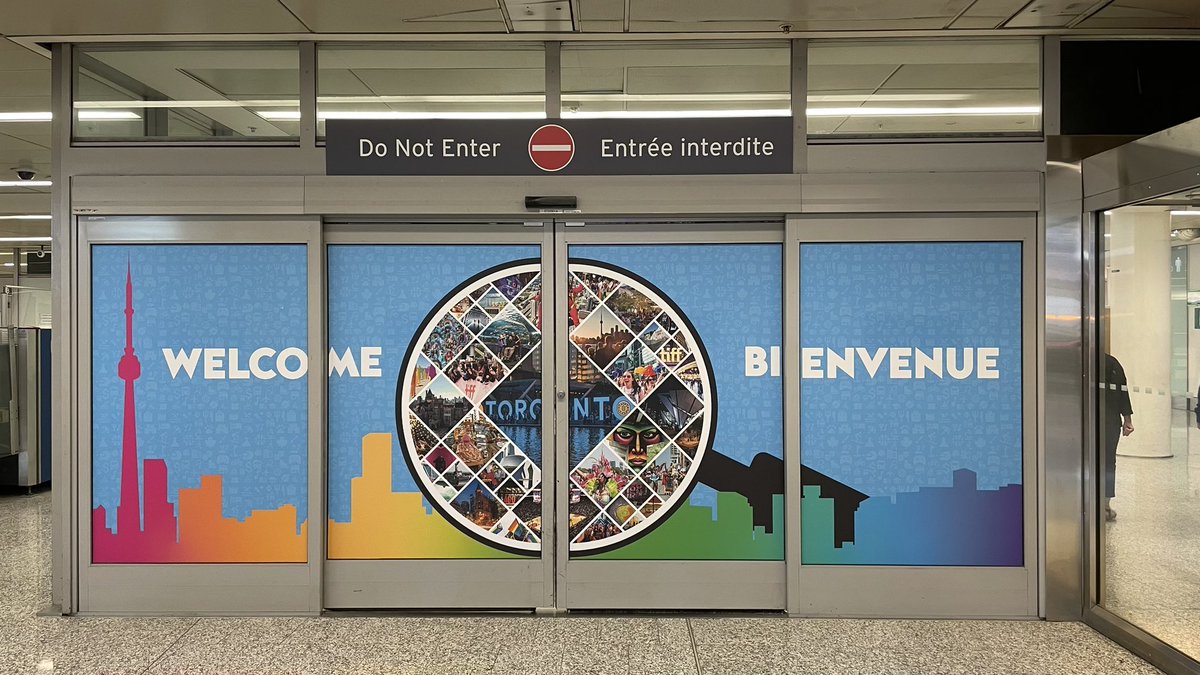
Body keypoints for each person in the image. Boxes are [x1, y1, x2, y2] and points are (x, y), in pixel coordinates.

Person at [1103, 354, 1135, 521]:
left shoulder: (1078, 361)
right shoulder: (1112, 362)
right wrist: (1127, 419)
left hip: (1083, 421)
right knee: (1108, 461)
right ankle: (1105, 506)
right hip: (1109, 421)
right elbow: (1123, 391)